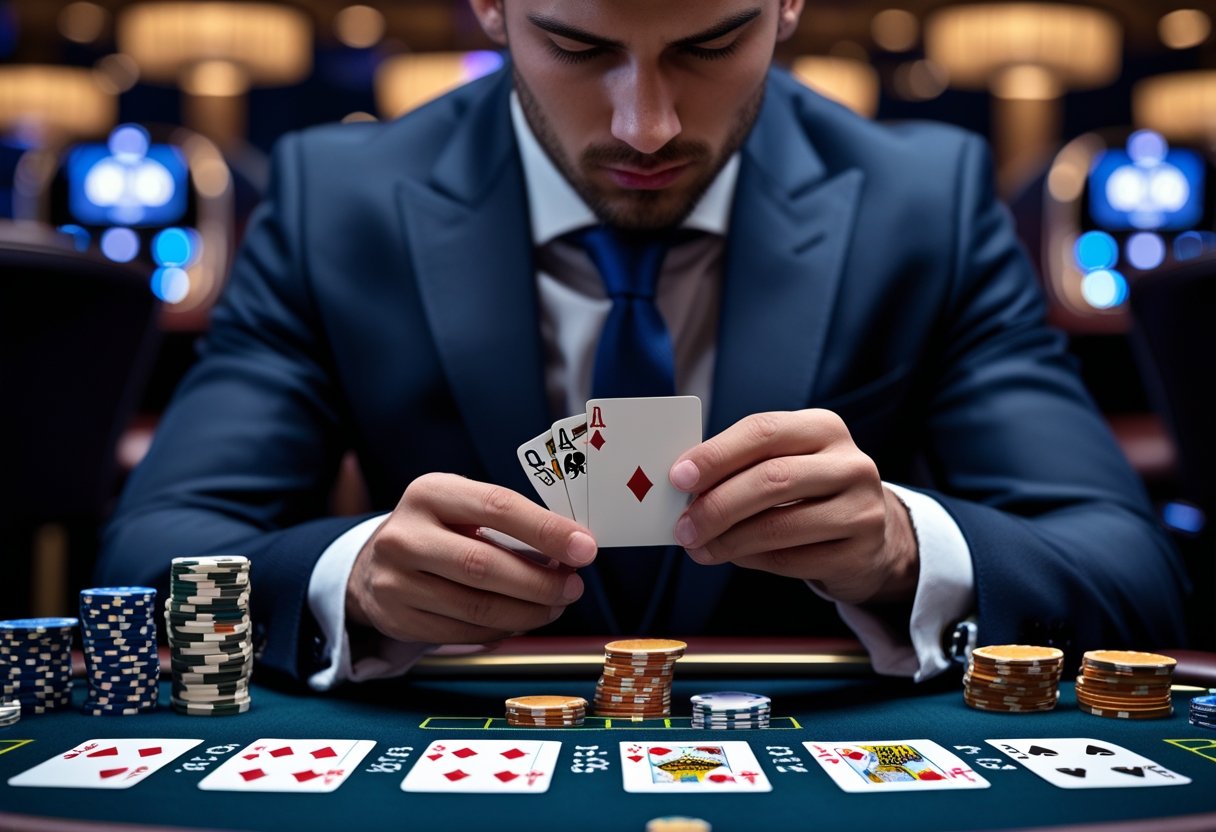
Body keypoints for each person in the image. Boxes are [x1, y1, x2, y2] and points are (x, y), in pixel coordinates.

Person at [98, 0, 1189, 690]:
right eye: (578, 46)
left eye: (710, 44)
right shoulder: (335, 199)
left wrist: (907, 551)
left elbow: (1132, 574)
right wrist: (354, 580)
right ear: (492, 7)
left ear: (786, 6)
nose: (646, 126)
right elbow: (148, 556)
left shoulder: (926, 201)